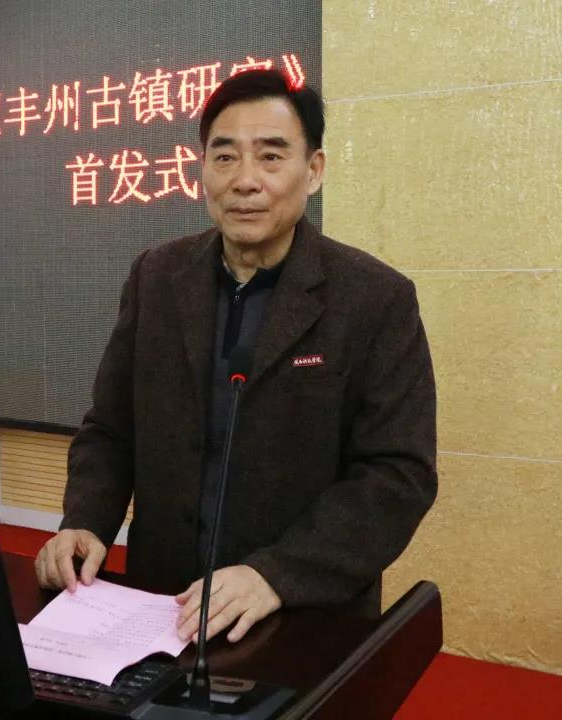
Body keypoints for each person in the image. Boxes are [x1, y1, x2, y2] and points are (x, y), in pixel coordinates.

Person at [34, 69, 437, 645]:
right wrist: (85, 521)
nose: (245, 181)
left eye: (271, 157)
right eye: (224, 158)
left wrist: (276, 575)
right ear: (201, 169)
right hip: (162, 605)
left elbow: (397, 475)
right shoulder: (157, 276)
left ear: (314, 170)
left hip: (297, 616)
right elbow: (110, 428)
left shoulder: (375, 299)